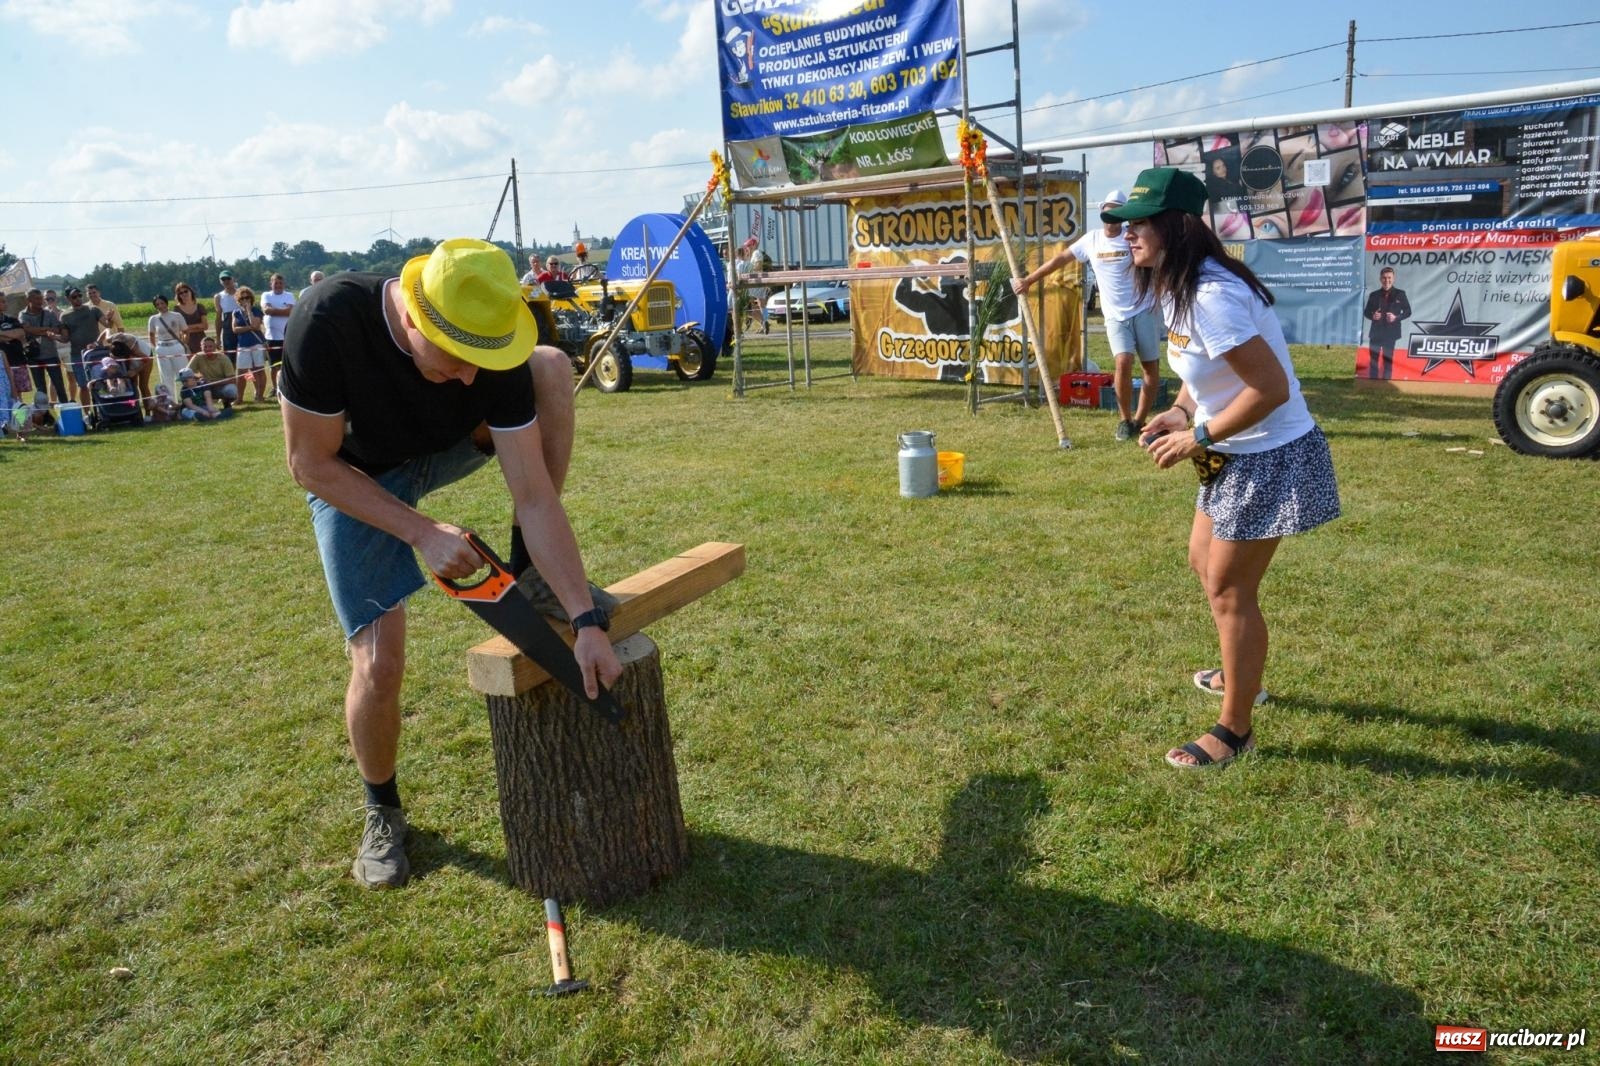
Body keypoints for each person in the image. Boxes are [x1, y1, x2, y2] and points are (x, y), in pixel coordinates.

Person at [278, 237, 622, 889]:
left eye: (481, 362)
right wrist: (419, 531)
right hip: (355, 474)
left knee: (547, 367)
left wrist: (583, 621)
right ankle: (383, 812)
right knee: (379, 661)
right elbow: (308, 464)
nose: (472, 378)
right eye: (457, 360)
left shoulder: (488, 341)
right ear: (413, 317)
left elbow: (535, 495)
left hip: (442, 449)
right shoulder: (327, 322)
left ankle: (534, 578)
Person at [1107, 167, 1340, 770]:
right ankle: (1243, 676)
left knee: (1230, 589)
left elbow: (1270, 389)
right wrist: (1178, 412)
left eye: (1140, 223)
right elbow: (1197, 375)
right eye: (1126, 224)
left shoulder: (1212, 295)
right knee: (1204, 566)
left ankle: (1236, 726)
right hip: (1231, 452)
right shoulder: (1176, 285)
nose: (1127, 234)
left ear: (1177, 226)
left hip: (1267, 454)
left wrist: (1199, 436)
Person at [1013, 188, 1164, 442]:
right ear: (1102, 213)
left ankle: (1140, 419)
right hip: (1115, 316)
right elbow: (1060, 259)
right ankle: (1124, 420)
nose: (1111, 219)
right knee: (1123, 362)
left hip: (1144, 309)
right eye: (1107, 212)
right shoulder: (1091, 240)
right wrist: (1028, 280)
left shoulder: (1131, 237)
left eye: (1117, 213)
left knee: (1151, 368)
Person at [19, 289, 68, 403]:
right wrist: (46, 330)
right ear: (28, 300)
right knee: (41, 390)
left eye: (41, 298)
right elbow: (26, 329)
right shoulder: (23, 314)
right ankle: (45, 416)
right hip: (33, 357)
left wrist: (35, 330)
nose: (40, 301)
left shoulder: (49, 313)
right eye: (37, 298)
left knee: (59, 386)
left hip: (51, 355)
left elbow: (57, 329)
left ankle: (66, 411)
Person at [1362, 267, 1411, 380]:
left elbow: (1408, 312)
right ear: (1380, 279)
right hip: (1375, 334)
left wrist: (1396, 317)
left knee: (1387, 360)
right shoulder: (1373, 295)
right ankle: (1373, 384)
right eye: (1384, 278)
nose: (1387, 280)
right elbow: (1366, 312)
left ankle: (1386, 384)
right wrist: (1373, 316)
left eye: (1389, 278)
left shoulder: (1400, 294)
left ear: (1393, 279)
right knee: (1373, 360)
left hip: (1390, 334)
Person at [58, 288, 104, 406]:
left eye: (79, 295)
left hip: (96, 352)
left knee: (101, 382)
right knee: (83, 386)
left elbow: (108, 325)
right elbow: (65, 338)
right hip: (77, 355)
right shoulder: (64, 316)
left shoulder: (93, 310)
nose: (78, 298)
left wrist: (110, 318)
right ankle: (88, 413)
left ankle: (103, 409)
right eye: (74, 297)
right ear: (67, 299)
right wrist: (54, 336)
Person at [261, 273, 296, 398]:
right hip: (271, 338)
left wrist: (274, 311)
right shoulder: (266, 295)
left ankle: (288, 386)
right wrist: (283, 311)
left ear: (284, 284)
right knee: (273, 365)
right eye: (276, 283)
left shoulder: (289, 295)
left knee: (287, 364)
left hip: (287, 336)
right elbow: (266, 310)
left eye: (280, 283)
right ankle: (275, 388)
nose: (278, 285)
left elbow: (291, 312)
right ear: (271, 284)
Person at [148, 293, 191, 395]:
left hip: (176, 346)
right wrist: (155, 348)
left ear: (166, 303)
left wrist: (183, 343)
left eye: (162, 303)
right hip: (162, 348)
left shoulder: (177, 315)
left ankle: (187, 397)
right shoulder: (153, 319)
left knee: (182, 374)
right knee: (166, 376)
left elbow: (186, 331)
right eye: (157, 304)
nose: (160, 306)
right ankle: (171, 401)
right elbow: (151, 335)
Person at [230, 285, 268, 402]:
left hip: (256, 343)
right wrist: (249, 327)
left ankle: (260, 396)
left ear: (251, 298)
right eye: (242, 298)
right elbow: (235, 329)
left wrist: (249, 311)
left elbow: (256, 325)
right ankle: (239, 398)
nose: (245, 300)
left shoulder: (256, 311)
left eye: (247, 298)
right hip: (243, 345)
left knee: (259, 370)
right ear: (238, 300)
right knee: (241, 371)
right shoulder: (236, 312)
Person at [187, 336, 240, 407]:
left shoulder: (224, 358)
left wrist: (212, 383)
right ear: (201, 347)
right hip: (204, 386)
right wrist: (199, 379)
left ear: (215, 347)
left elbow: (232, 379)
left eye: (210, 346)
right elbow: (187, 373)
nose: (208, 349)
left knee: (231, 390)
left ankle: (226, 402)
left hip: (220, 387)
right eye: (205, 347)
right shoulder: (198, 356)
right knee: (189, 386)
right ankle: (201, 406)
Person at [734, 240, 768, 334]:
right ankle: (764, 323)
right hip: (756, 281)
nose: (747, 248)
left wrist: (749, 268)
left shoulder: (756, 253)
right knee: (760, 304)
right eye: (746, 247)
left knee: (753, 304)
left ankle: (764, 322)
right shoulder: (753, 254)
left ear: (753, 245)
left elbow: (758, 266)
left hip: (756, 281)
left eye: (748, 246)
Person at [173, 282, 210, 354]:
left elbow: (205, 326)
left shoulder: (200, 307)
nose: (184, 294)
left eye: (185, 291)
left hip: (201, 340)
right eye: (180, 293)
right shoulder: (176, 309)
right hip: (186, 340)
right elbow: (178, 328)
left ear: (191, 291)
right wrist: (198, 326)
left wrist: (187, 328)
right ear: (178, 296)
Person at [214, 270, 241, 361]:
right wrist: (218, 338)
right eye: (223, 279)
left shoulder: (241, 293)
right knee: (230, 360)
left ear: (233, 279)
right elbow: (218, 318)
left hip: (242, 329)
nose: (226, 281)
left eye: (228, 278)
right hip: (228, 332)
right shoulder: (218, 296)